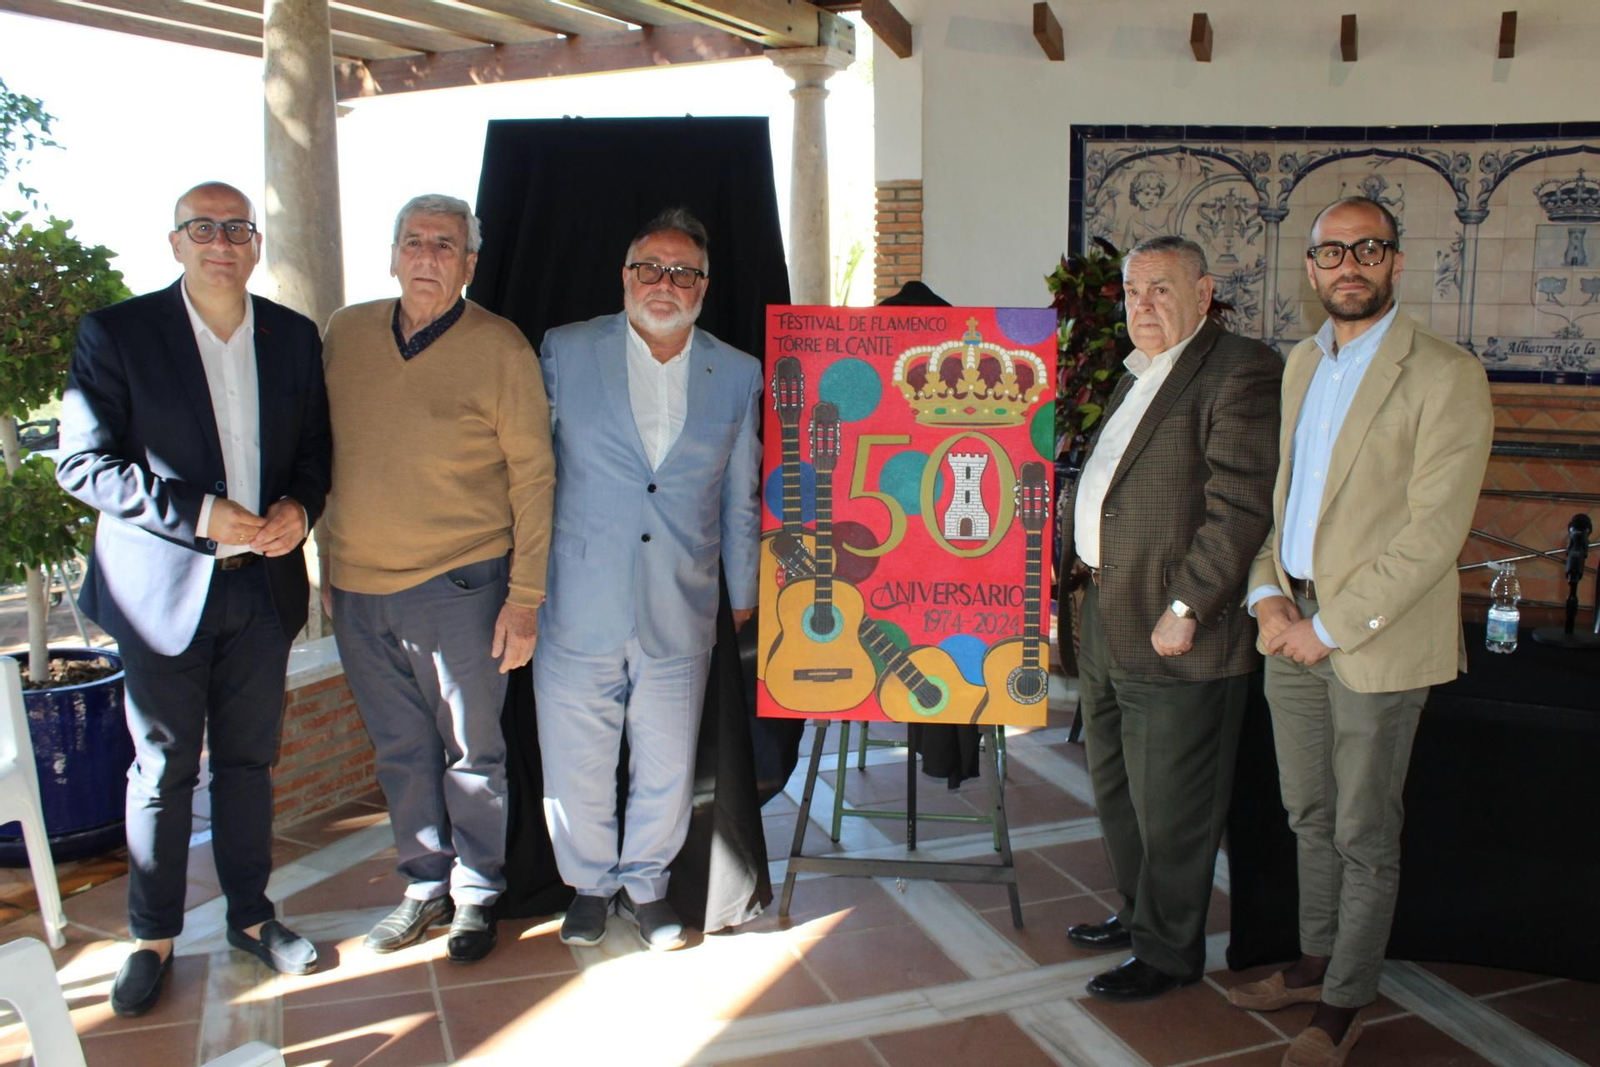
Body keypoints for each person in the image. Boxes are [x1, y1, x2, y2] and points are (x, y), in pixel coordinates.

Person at [56, 181, 331, 1015]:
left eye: (237, 228)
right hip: (159, 593)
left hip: (262, 590)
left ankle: (252, 916)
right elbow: (85, 465)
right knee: (165, 768)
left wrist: (298, 508)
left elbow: (318, 451)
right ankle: (152, 936)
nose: (222, 241)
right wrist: (204, 515)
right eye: (202, 228)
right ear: (175, 242)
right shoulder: (118, 333)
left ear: (255, 245)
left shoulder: (291, 336)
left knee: (249, 764)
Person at [1230, 197, 1492, 1067]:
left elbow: (1433, 532)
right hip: (1290, 623)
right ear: (1310, 268)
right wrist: (1269, 594)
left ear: (1395, 261)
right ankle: (1314, 958)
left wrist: (1331, 626)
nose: (1350, 264)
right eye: (1332, 251)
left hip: (1371, 637)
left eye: (1367, 248)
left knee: (1364, 831)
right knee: (1308, 813)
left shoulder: (1445, 373)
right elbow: (1285, 504)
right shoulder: (1303, 363)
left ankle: (1345, 998)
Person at [319, 194, 554, 964]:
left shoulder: (502, 347)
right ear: (392, 254)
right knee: (399, 748)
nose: (426, 256)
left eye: (444, 245)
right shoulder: (346, 334)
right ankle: (423, 884)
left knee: (472, 753)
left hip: (463, 587)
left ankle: (479, 892)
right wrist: (328, 562)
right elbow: (320, 453)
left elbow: (534, 476)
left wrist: (526, 597)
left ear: (470, 264)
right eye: (413, 241)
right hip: (359, 588)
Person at [1057, 234, 1281, 1001]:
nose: (1142, 305)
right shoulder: (1137, 373)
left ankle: (1169, 950)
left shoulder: (1240, 368)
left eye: (1161, 289)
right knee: (1118, 787)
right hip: (1107, 616)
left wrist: (1188, 604)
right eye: (1132, 291)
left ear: (1205, 290)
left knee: (1175, 805)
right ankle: (1138, 912)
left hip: (1178, 629)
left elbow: (1239, 504)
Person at [535, 207, 761, 952]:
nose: (665, 283)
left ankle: (649, 886)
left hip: (683, 602)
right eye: (649, 268)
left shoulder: (736, 371)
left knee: (666, 761)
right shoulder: (567, 351)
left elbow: (739, 492)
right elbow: (534, 478)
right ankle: (590, 886)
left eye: (683, 271)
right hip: (578, 598)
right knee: (577, 759)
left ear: (704, 284)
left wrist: (740, 594)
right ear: (625, 275)